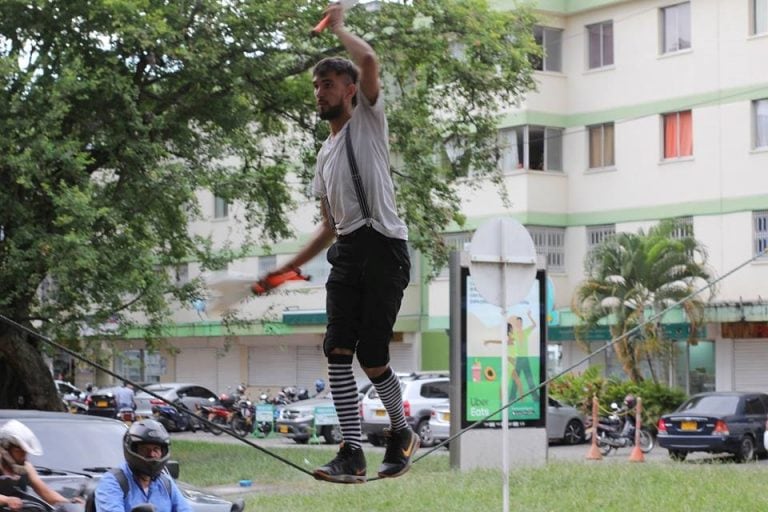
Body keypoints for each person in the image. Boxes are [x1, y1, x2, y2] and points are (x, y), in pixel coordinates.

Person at [262, 2, 417, 484]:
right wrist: (280, 271)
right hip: (348, 249)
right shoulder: (324, 155)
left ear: (349, 91)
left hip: (385, 247)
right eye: (315, 86)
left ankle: (402, 431)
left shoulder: (368, 121)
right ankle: (351, 451)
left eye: (326, 84)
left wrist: (341, 28)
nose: (319, 92)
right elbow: (328, 226)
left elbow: (369, 61)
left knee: (373, 356)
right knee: (336, 350)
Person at [94, 419, 191, 512]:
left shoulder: (166, 483)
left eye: (156, 449)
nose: (152, 455)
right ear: (133, 450)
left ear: (163, 452)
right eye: (145, 449)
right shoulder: (113, 483)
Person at [0, 420, 75, 510]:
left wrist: (69, 503)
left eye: (25, 452)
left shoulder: (26, 467)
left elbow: (46, 493)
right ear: (5, 447)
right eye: (18, 451)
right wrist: (6, 500)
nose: (23, 456)